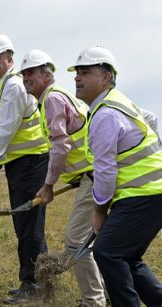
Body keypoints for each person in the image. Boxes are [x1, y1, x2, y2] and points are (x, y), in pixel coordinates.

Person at [69, 46, 162, 306]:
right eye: (76, 73)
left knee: (107, 252)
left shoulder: (105, 114)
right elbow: (151, 119)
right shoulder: (119, 103)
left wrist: (99, 211)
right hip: (151, 194)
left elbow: (106, 171)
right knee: (127, 257)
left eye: (85, 72)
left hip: (142, 196)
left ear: (106, 77)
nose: (77, 78)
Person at [20, 49, 107, 307]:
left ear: (47, 75)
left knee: (75, 240)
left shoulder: (52, 100)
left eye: (31, 72)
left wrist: (48, 186)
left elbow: (61, 146)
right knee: (94, 239)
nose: (26, 78)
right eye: (23, 74)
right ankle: (103, 293)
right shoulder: (58, 96)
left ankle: (93, 301)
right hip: (90, 175)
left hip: (95, 176)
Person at [0, 34, 49, 305]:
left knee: (28, 225)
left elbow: (5, 130)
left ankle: (33, 284)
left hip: (31, 163)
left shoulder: (13, 87)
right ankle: (40, 280)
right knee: (28, 223)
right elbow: (2, 132)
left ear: (10, 59)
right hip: (20, 164)